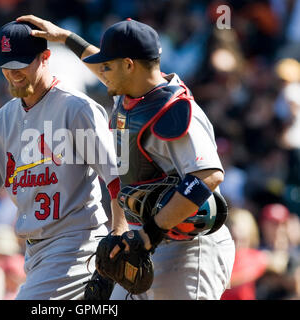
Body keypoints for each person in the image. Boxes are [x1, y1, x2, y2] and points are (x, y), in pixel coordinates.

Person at [17, 15, 236, 300]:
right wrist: (67, 38)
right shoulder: (131, 93)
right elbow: (99, 61)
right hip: (146, 241)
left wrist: (150, 234)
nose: (101, 70)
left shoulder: (174, 110)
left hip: (189, 250)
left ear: (129, 65)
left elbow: (208, 174)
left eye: (108, 65)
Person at [0, 20, 128, 300]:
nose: (13, 73)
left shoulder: (76, 109)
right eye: (6, 65)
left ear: (45, 57)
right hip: (34, 252)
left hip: (76, 243)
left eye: (21, 63)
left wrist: (119, 229)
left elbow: (117, 175)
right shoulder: (0, 122)